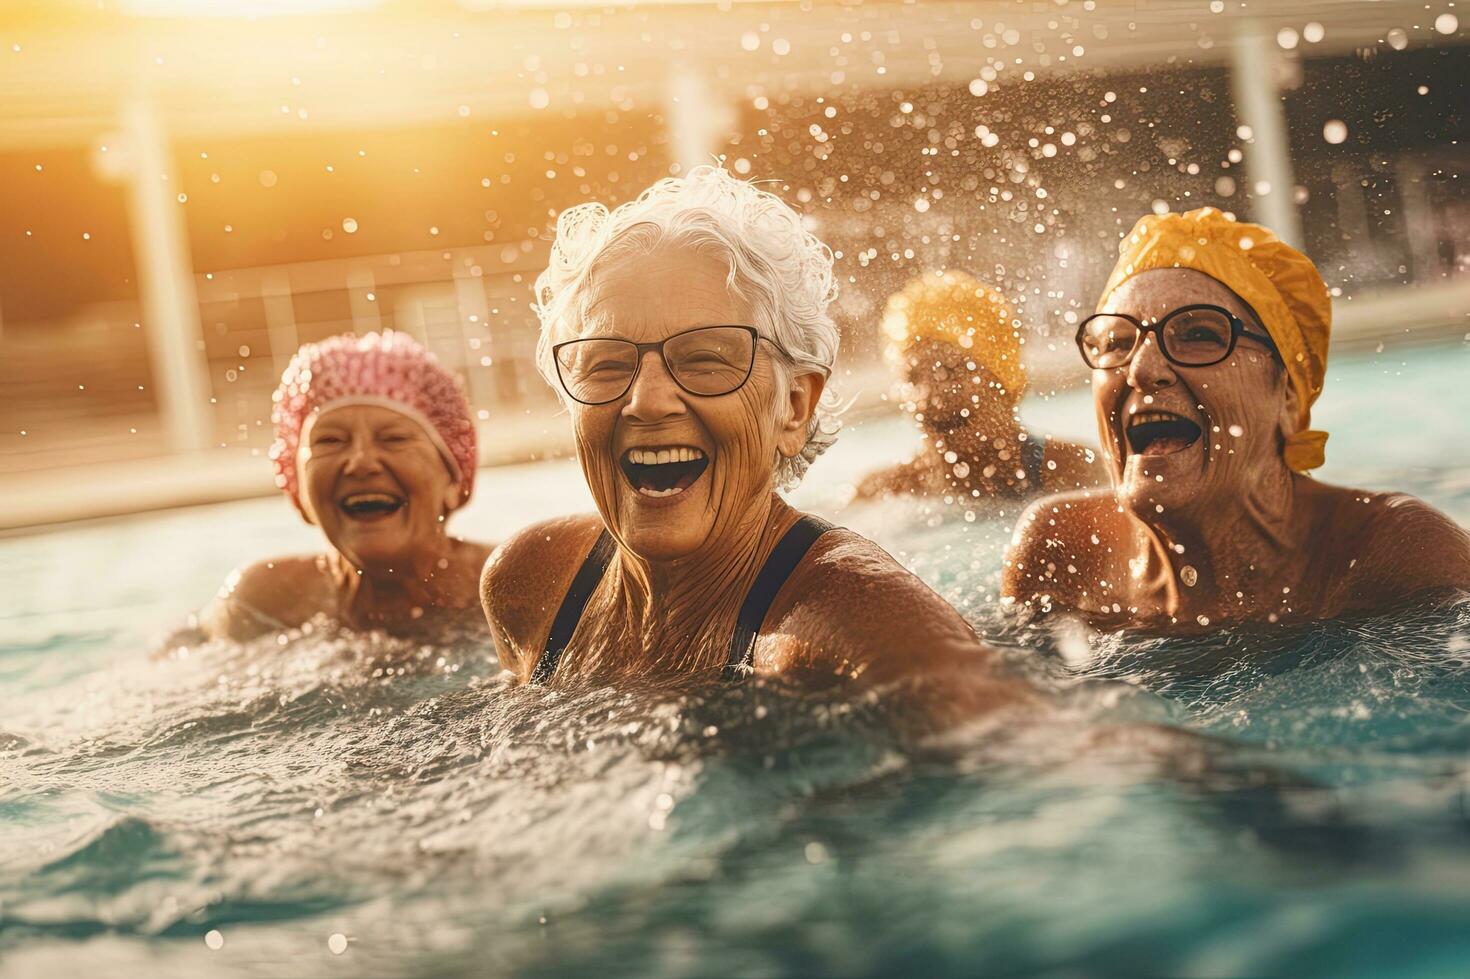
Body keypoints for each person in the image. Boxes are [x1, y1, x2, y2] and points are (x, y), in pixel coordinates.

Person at [479, 167, 1028, 716]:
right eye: (606, 362)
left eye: (704, 359)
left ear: (793, 407)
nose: (645, 401)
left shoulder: (870, 639)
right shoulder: (533, 585)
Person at [1003, 207, 1470, 627]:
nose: (1142, 370)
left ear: (1287, 395)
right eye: (1117, 342)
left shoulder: (1392, 555)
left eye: (1199, 333)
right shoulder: (1062, 550)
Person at [201, 331, 492, 641]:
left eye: (394, 438)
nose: (361, 462)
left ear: (453, 480)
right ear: (298, 489)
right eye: (330, 440)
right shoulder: (263, 603)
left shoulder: (513, 584)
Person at [851, 271, 1105, 505]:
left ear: (1002, 378)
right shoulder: (882, 492)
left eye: (950, 371)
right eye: (913, 378)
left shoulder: (1073, 471)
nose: (930, 397)